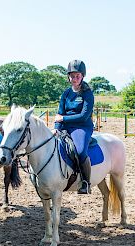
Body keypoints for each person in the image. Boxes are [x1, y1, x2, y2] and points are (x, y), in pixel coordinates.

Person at [54, 59, 95, 194]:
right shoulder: (66, 93)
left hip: (82, 127)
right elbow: (60, 113)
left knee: (80, 151)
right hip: (65, 127)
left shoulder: (87, 93)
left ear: (82, 76)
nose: (75, 78)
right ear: (68, 77)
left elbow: (83, 116)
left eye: (77, 76)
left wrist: (64, 119)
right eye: (72, 76)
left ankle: (85, 182)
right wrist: (56, 128)